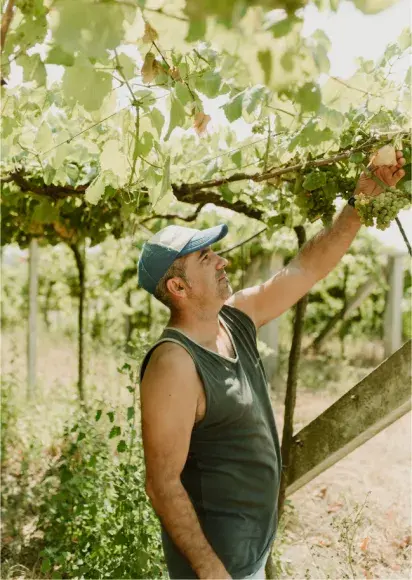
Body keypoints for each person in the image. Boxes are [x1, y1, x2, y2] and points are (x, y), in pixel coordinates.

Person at [137, 152, 405, 580]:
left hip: (249, 555)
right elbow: (163, 483)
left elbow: (306, 267)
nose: (222, 260)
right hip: (220, 567)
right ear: (177, 286)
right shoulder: (174, 365)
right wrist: (209, 570)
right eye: (205, 258)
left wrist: (359, 204)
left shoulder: (236, 317)